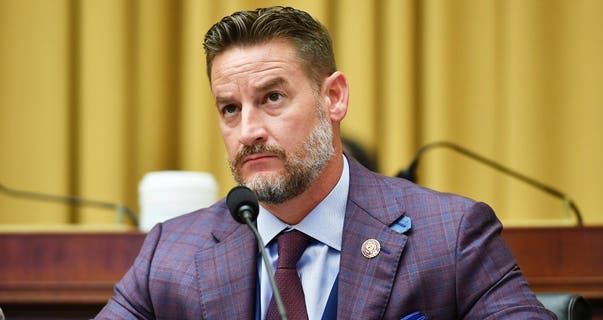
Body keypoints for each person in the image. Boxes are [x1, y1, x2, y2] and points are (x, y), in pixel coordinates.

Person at [96, 6, 555, 320]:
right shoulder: (170, 254)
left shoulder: (450, 236)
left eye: (272, 97)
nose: (249, 130)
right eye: (230, 108)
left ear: (333, 97)